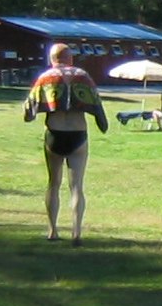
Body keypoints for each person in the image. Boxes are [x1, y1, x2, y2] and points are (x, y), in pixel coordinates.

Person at [23, 42, 108, 244]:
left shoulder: (46, 77)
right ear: (70, 58)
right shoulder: (83, 76)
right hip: (78, 134)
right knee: (77, 186)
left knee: (53, 183)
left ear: (52, 59)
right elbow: (97, 104)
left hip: (54, 133)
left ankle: (52, 231)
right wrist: (102, 123)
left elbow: (29, 112)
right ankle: (76, 233)